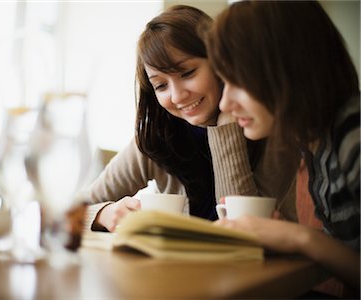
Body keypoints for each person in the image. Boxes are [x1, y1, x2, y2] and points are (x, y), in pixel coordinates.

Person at [77, 5, 298, 233]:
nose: (177, 96)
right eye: (161, 85)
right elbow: (69, 211)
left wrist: (226, 127)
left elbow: (246, 232)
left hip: (268, 268)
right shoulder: (159, 139)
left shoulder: (271, 133)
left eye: (188, 73)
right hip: (178, 267)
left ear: (220, 62)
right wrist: (104, 213)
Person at [204, 0, 360, 292]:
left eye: (239, 81)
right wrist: (278, 235)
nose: (225, 103)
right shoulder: (317, 144)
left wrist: (298, 238)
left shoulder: (353, 131)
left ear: (289, 66)